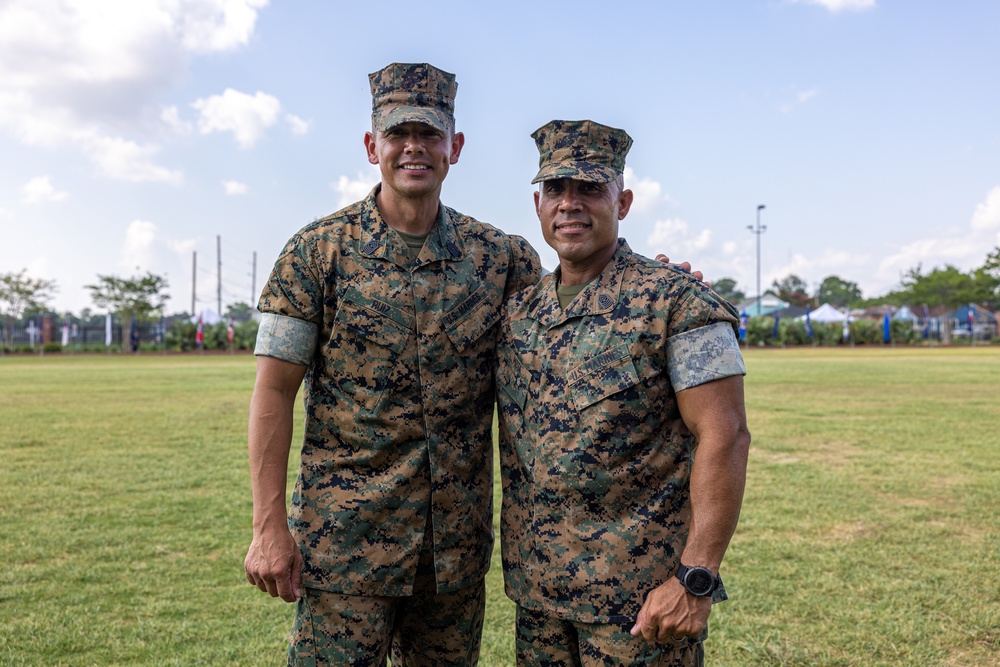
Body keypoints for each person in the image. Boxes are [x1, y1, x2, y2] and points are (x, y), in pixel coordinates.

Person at [243, 62, 542, 666]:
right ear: (371, 146)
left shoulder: (501, 260)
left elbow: (579, 314)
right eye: (397, 133)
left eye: (430, 134)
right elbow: (273, 392)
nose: (414, 147)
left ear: (454, 148)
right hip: (345, 548)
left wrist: (658, 279)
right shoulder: (316, 253)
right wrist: (268, 526)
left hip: (453, 554)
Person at [495, 119, 751, 666]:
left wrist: (695, 580)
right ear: (538, 204)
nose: (570, 204)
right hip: (538, 598)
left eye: (590, 188)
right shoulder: (517, 313)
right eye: (556, 189)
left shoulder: (677, 303)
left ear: (624, 201)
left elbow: (725, 436)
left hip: (638, 604)